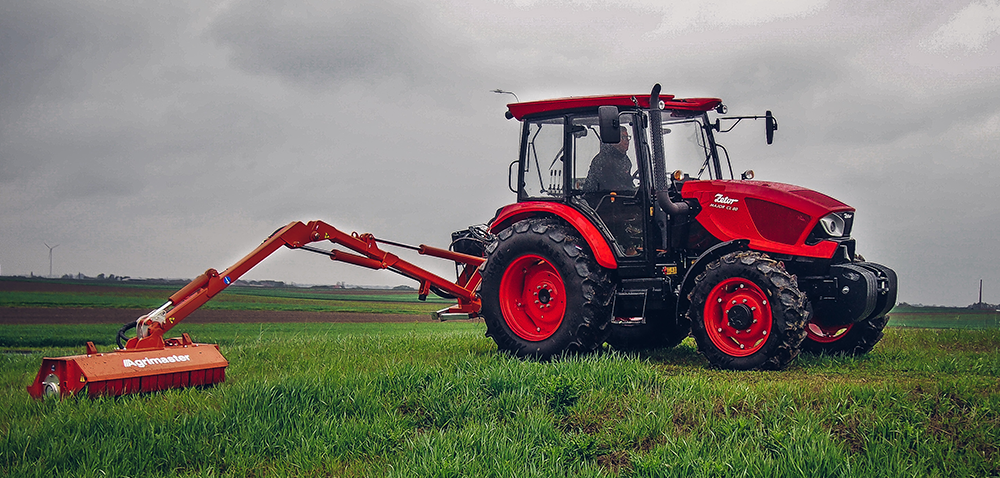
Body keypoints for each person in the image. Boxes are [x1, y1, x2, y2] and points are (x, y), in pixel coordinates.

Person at [583, 126, 634, 192]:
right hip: (597, 199)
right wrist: (631, 191)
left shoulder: (625, 160)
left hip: (617, 198)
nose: (627, 141)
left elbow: (627, 182)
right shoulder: (602, 161)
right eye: (623, 138)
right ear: (613, 140)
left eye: (627, 137)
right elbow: (613, 186)